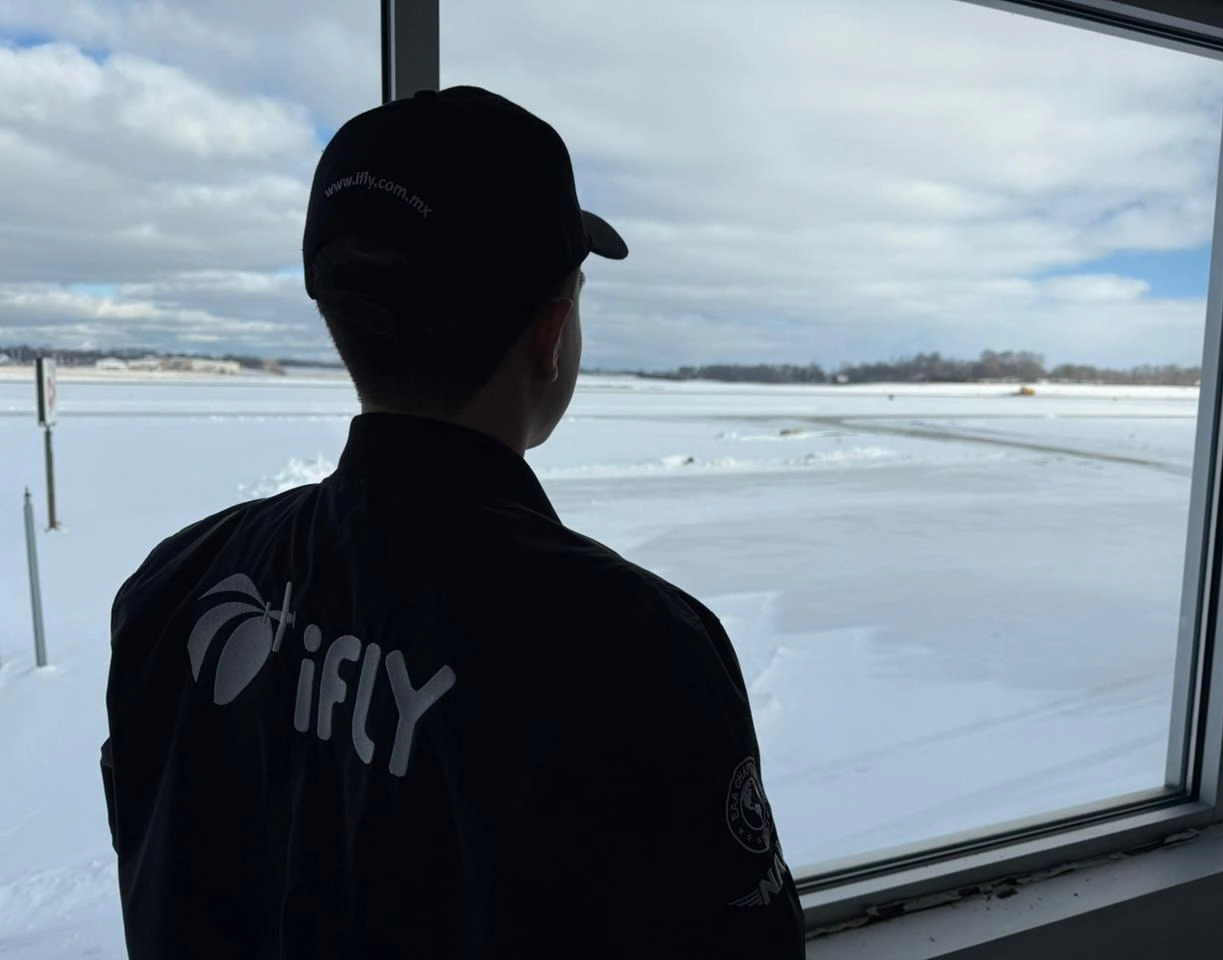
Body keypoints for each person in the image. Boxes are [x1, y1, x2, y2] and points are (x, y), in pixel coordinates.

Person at [101, 85, 804, 958]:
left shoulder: (174, 587)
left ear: (339, 317)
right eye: (577, 294)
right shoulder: (637, 654)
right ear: (550, 334)